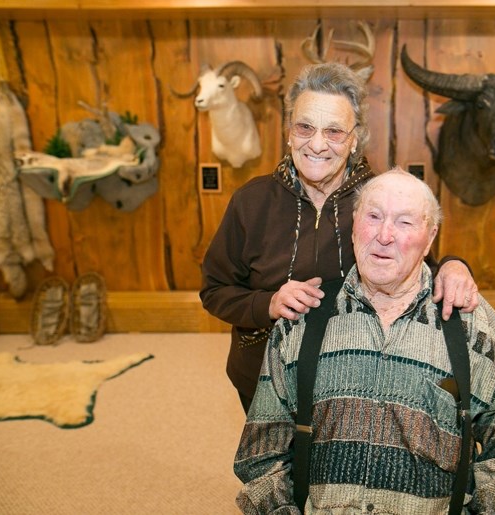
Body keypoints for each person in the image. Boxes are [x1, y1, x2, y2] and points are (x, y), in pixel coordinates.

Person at [234, 168, 495, 514]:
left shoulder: (473, 326)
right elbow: (262, 456)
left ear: (430, 238)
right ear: (354, 225)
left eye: (405, 223)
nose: (384, 235)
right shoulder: (302, 320)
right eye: (374, 216)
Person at [200, 62, 479, 414]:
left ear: (354, 139)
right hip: (265, 378)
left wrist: (454, 265)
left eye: (334, 131)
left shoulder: (381, 196)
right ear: (288, 131)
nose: (316, 144)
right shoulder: (250, 201)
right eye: (304, 127)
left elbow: (422, 267)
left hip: (360, 381)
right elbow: (215, 290)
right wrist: (267, 304)